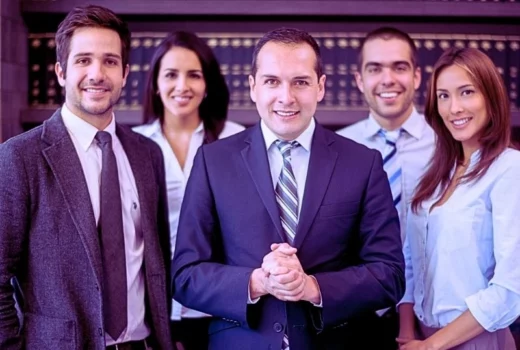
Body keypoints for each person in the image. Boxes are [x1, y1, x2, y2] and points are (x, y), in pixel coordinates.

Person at [172, 27, 405, 350]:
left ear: (320, 87)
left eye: (300, 82)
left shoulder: (363, 163)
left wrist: (312, 287)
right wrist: (257, 282)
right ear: (253, 87)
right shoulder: (213, 162)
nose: (286, 97)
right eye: (272, 81)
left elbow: (389, 275)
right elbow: (185, 276)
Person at [0, 5, 173, 349]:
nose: (97, 73)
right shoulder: (20, 157)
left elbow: (158, 263)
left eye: (109, 61)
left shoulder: (147, 154)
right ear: (61, 72)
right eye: (83, 60)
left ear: (125, 73)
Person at [397, 47, 520, 350]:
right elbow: (412, 260)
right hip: (422, 336)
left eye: (466, 92)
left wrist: (432, 346)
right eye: (444, 96)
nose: (454, 108)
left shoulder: (510, 169)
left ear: (491, 97)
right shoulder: (433, 175)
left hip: (477, 339)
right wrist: (408, 333)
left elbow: (511, 288)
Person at [133, 30, 244, 350]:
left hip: (220, 300)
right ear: (155, 84)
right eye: (171, 75)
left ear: (207, 84)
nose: (182, 86)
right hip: (151, 302)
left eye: (194, 75)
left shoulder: (237, 142)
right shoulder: (132, 145)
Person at [336, 27, 435, 349]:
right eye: (375, 68)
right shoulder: (337, 149)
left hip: (433, 310)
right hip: (356, 313)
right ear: (359, 79)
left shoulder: (447, 146)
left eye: (399, 67)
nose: (388, 79)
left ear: (417, 77)